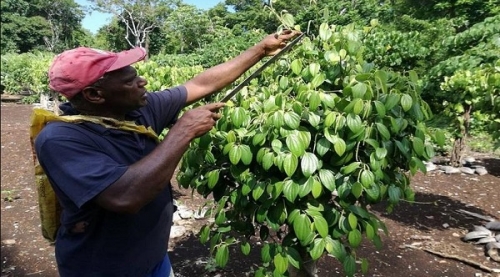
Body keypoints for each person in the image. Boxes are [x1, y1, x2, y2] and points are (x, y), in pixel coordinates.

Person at [33, 29, 300, 277]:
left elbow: (201, 84)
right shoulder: (61, 140)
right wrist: (183, 132)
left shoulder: (135, 111)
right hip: (104, 267)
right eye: (130, 81)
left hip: (153, 259)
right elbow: (125, 197)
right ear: (94, 94)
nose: (142, 81)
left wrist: (261, 49)